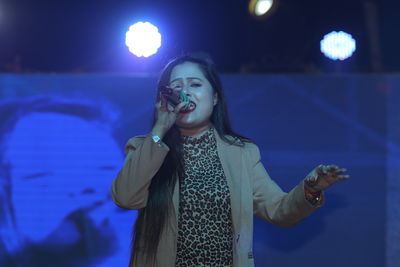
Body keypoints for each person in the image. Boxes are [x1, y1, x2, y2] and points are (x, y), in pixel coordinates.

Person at [111, 53, 349, 267]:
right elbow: (125, 197)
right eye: (176, 87)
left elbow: (278, 210)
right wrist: (160, 128)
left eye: (195, 84)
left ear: (214, 98)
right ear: (166, 99)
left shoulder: (242, 153)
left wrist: (310, 190)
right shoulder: (146, 147)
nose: (186, 93)